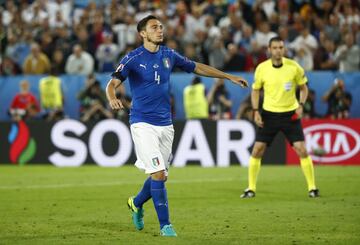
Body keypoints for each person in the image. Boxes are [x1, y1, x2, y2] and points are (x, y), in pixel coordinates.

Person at [106, 15, 248, 237]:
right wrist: (112, 97)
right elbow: (112, 83)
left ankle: (135, 203)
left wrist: (227, 76)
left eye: (161, 26)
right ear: (143, 33)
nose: (160, 30)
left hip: (166, 124)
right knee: (159, 173)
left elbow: (196, 67)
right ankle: (166, 226)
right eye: (154, 27)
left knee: (160, 175)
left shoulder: (168, 55)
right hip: (142, 122)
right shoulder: (133, 58)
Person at [240, 36, 319, 199]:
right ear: (269, 50)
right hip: (269, 115)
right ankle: (251, 188)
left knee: (302, 150)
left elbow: (304, 89)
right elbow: (255, 90)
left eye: (281, 47)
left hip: (290, 114)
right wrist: (256, 110)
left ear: (284, 49)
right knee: (257, 150)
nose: (278, 50)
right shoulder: (262, 68)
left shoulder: (294, 67)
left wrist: (301, 105)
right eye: (275, 47)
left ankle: (312, 188)